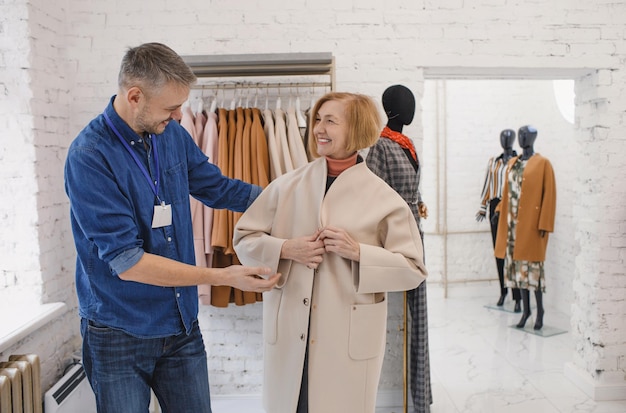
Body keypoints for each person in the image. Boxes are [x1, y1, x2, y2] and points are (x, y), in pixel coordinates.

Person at [64, 42, 280, 413]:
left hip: (180, 327)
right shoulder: (89, 157)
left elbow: (218, 188)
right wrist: (224, 276)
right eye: (170, 107)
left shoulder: (171, 134)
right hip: (119, 333)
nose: (180, 114)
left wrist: (289, 201)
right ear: (135, 96)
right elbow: (130, 262)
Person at [233, 92, 428, 413]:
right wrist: (285, 248)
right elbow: (244, 240)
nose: (319, 128)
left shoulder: (383, 198)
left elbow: (413, 269)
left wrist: (359, 253)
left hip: (346, 338)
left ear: (355, 128)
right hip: (291, 329)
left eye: (330, 121)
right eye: (318, 119)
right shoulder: (286, 186)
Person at [365, 84, 432, 413]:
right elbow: (371, 199)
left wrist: (418, 205)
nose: (412, 109)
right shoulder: (380, 147)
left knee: (419, 321)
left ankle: (420, 400)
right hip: (393, 243)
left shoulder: (408, 145)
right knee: (376, 318)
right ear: (391, 109)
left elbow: (410, 191)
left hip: (415, 237)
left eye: (412, 103)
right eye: (405, 103)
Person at [494, 125, 556, 330]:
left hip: (531, 226)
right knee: (518, 274)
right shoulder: (513, 162)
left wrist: (545, 225)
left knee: (533, 272)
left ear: (534, 137)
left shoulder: (543, 163)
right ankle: (526, 311)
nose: (521, 137)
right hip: (512, 226)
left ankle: (540, 311)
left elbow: (550, 195)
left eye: (525, 134)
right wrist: (498, 211)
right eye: (520, 134)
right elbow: (507, 190)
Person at [476, 129, 522, 311]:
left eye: (509, 137)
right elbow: (488, 184)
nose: (506, 140)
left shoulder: (520, 163)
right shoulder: (493, 162)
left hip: (512, 206)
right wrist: (483, 207)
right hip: (495, 206)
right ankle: (503, 292)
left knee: (514, 253)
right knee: (499, 251)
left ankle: (518, 296)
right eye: (503, 137)